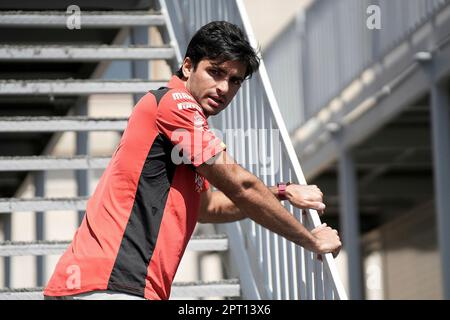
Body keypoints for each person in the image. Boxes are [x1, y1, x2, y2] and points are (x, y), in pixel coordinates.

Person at [44, 21, 341, 300]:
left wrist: (281, 191)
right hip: (111, 282)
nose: (224, 88)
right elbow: (241, 185)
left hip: (109, 284)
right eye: (216, 72)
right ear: (188, 66)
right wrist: (310, 240)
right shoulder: (175, 104)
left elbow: (208, 207)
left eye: (234, 80)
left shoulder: (186, 122)